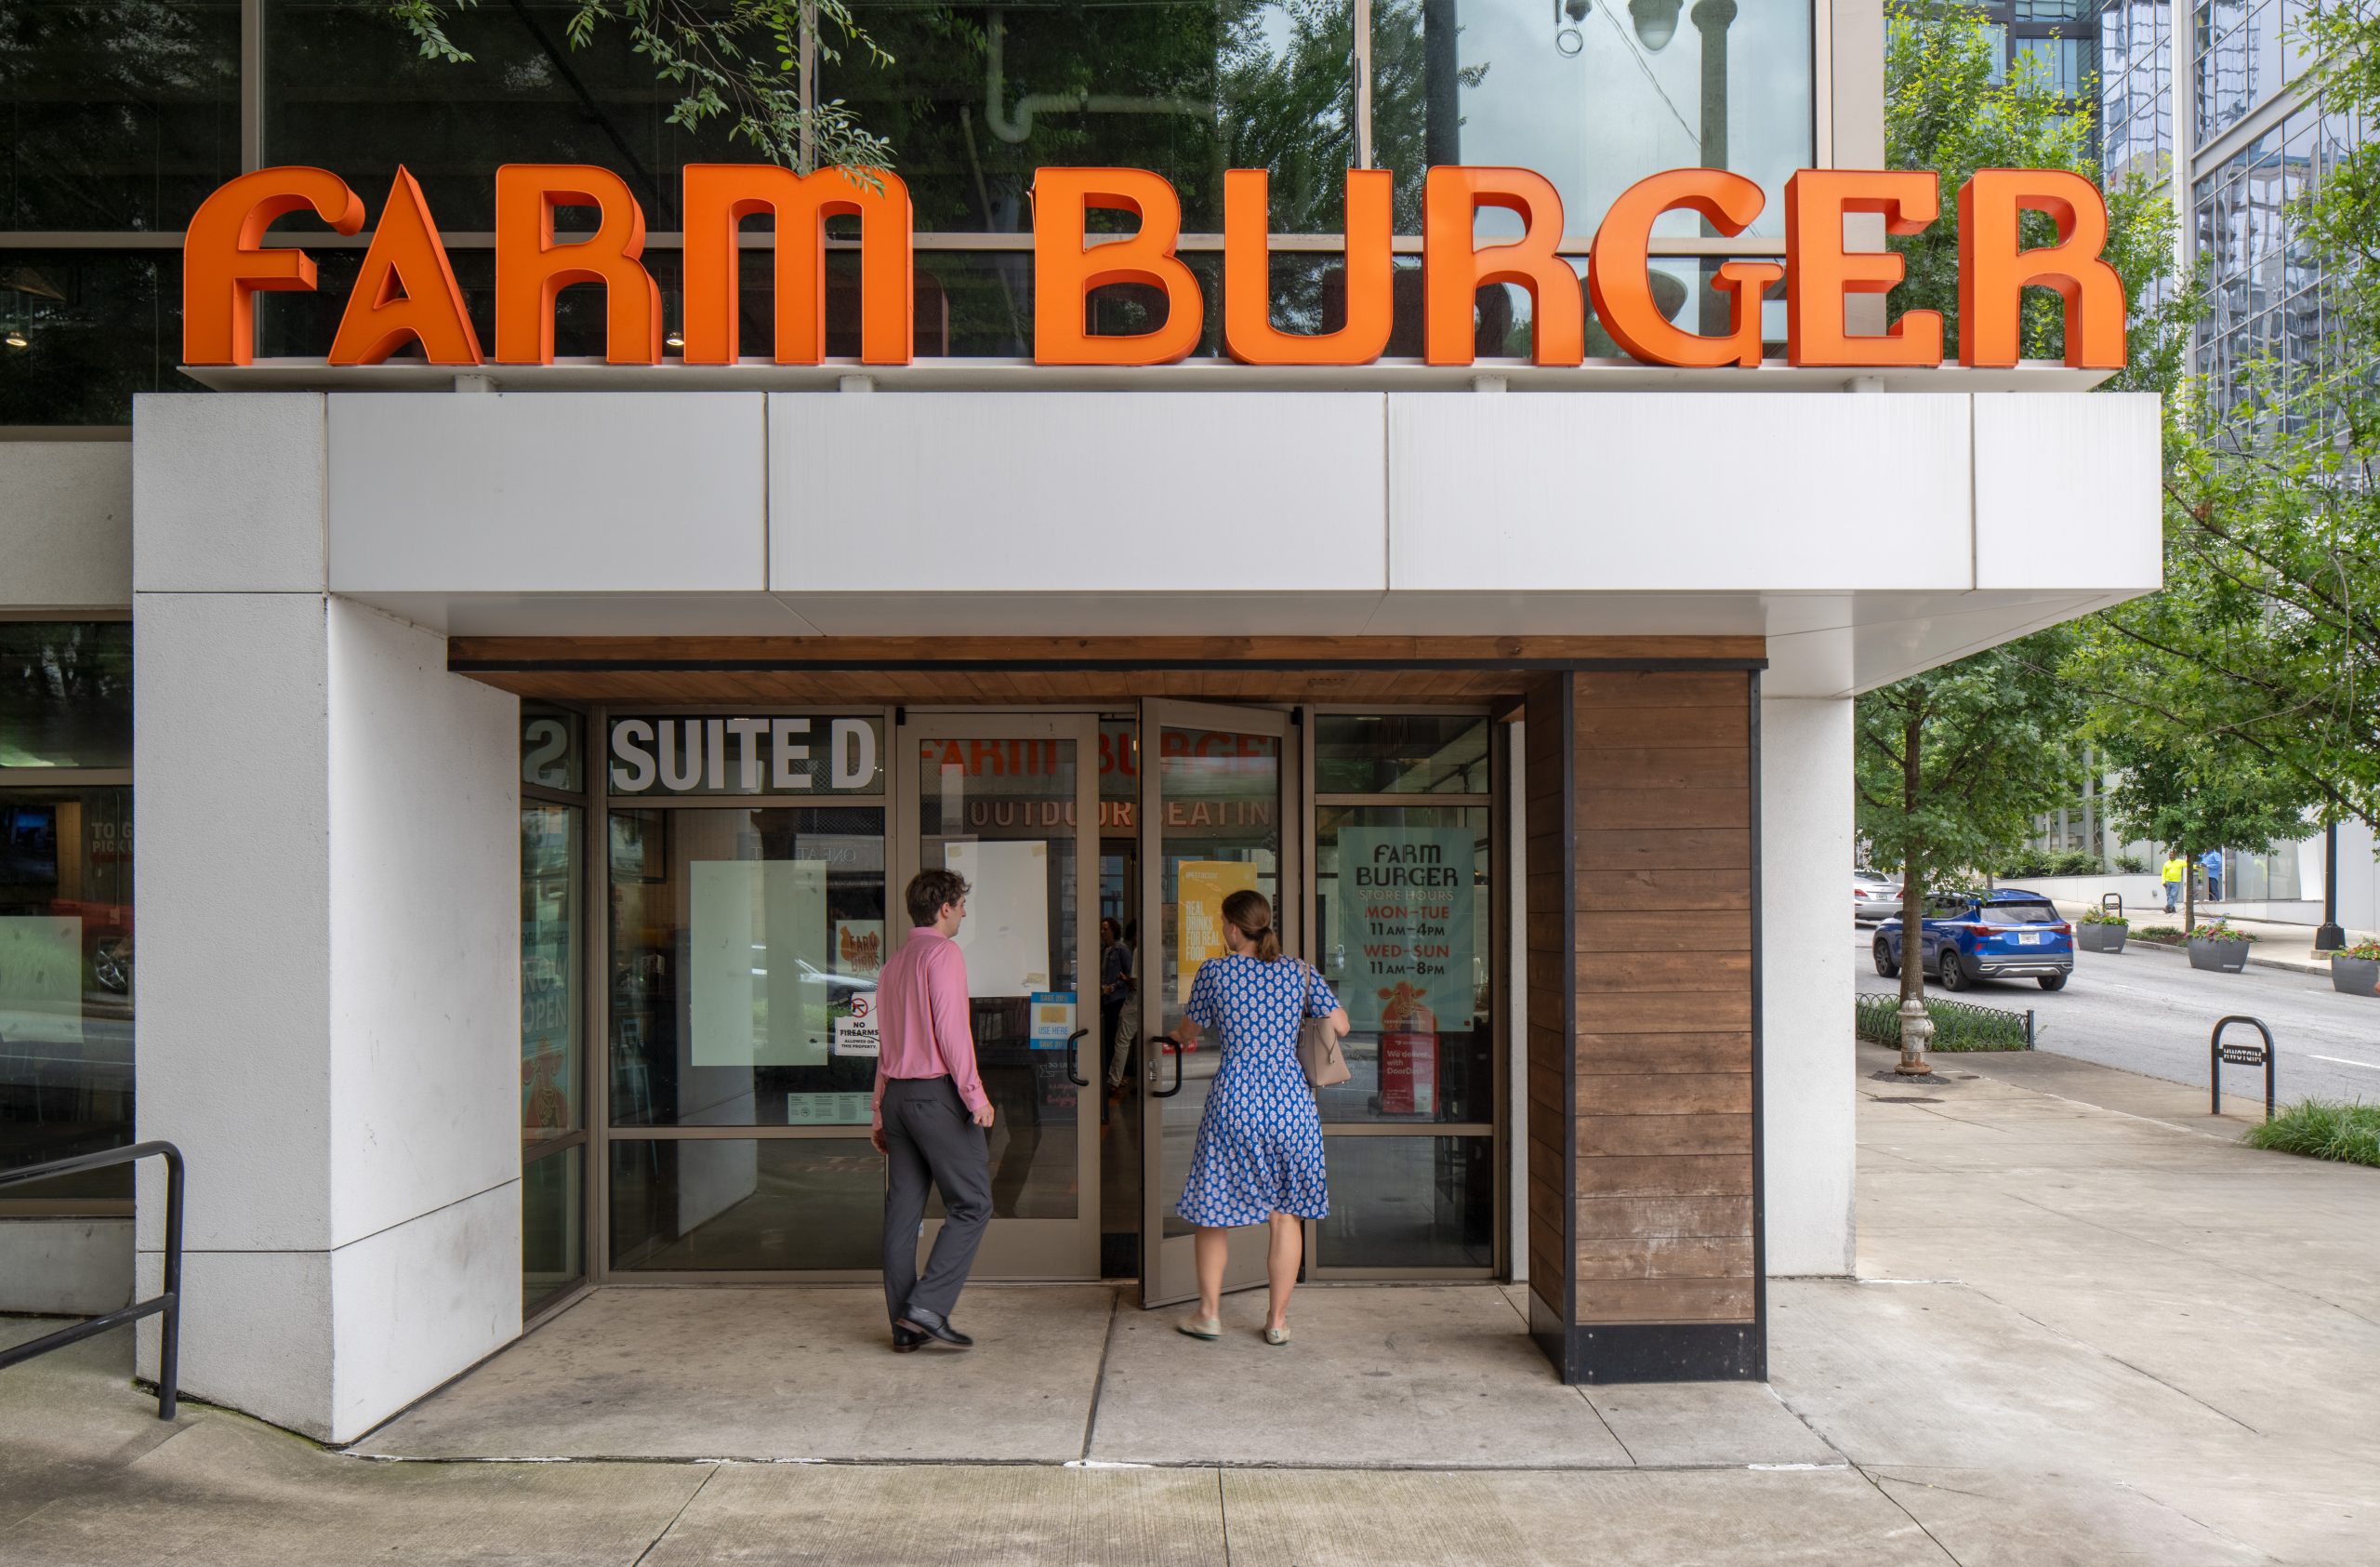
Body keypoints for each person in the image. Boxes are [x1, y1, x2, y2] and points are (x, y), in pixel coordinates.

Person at [1170, 888, 1349, 1346]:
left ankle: (1209, 1314)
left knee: (1214, 1212)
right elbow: (1341, 1025)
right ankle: (1277, 1321)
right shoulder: (1300, 972)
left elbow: (1189, 1030)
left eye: (1223, 924)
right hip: (1291, 1105)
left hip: (1236, 1101)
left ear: (1233, 928)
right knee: (1286, 1215)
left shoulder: (1215, 972)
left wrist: (1179, 1035)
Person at [873, 868, 995, 1353]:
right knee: (973, 1203)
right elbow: (952, 1032)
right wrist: (975, 1095)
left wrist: (879, 1112)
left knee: (903, 1214)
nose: (963, 913)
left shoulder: (894, 964)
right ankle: (927, 1307)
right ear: (944, 908)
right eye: (961, 905)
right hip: (935, 1096)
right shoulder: (943, 954)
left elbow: (886, 1046)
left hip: (899, 1098)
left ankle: (906, 1326)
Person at [1100, 916, 1135, 1110]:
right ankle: (1112, 1075)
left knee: (1117, 1038)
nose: (1103, 932)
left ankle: (1114, 1077)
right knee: (1109, 1036)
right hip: (1106, 999)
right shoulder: (1105, 951)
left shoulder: (1121, 949)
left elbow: (1129, 975)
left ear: (1114, 930)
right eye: (1102, 929)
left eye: (1106, 929)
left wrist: (1113, 987)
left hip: (1117, 998)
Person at [2161, 850, 2188, 914]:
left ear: (2175, 855)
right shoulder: (2166, 863)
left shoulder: (2180, 862)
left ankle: (2168, 907)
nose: (2171, 856)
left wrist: (2198, 867)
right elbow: (2163, 873)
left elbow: (2189, 865)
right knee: (2168, 896)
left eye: (2172, 855)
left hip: (2176, 882)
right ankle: (2172, 908)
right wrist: (2163, 882)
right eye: (2170, 855)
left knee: (2172, 895)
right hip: (2167, 881)